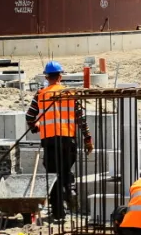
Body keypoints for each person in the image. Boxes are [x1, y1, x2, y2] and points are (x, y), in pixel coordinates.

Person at [25, 61, 92, 221]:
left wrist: (36, 127)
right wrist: (88, 139)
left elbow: (29, 116)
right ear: (61, 76)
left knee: (53, 177)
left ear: (47, 77)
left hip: (50, 143)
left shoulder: (41, 95)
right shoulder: (70, 93)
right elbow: (81, 118)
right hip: (68, 141)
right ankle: (69, 193)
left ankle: (58, 213)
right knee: (65, 173)